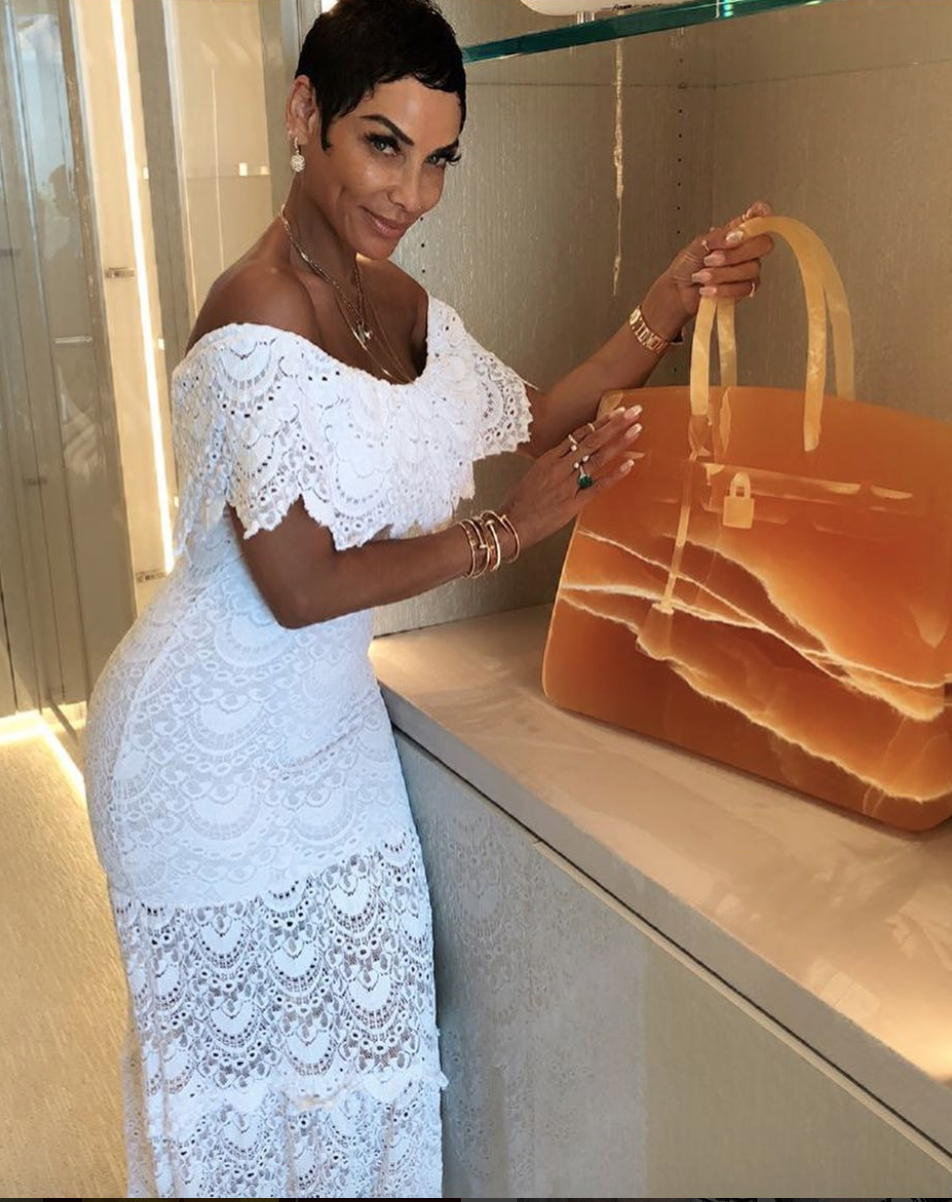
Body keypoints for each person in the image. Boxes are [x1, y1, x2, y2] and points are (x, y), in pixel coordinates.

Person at [83, 0, 774, 1196]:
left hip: (331, 737)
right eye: (383, 144)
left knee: (373, 1059)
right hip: (202, 753)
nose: (412, 192)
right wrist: (507, 531)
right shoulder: (258, 306)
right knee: (253, 1111)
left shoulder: (393, 304)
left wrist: (667, 301)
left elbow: (534, 416)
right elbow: (295, 583)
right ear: (304, 114)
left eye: (439, 158)